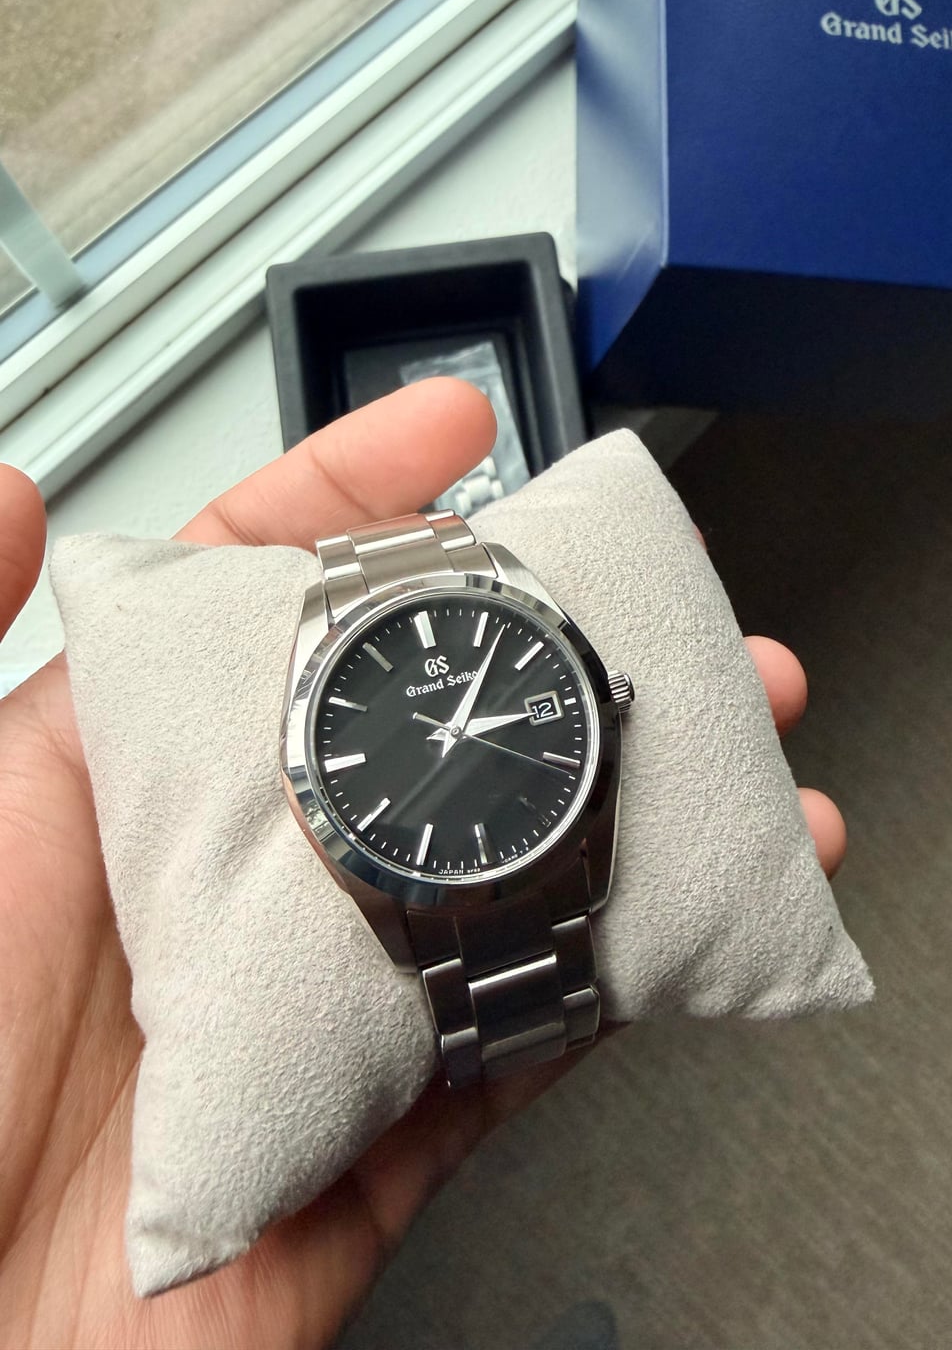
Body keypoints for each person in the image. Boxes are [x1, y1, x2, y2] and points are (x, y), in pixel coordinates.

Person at [0, 379, 845, 1348]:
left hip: (544, 838)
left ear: (600, 698)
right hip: (430, 874)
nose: (448, 734)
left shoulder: (569, 737)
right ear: (303, 778)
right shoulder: (327, 762)